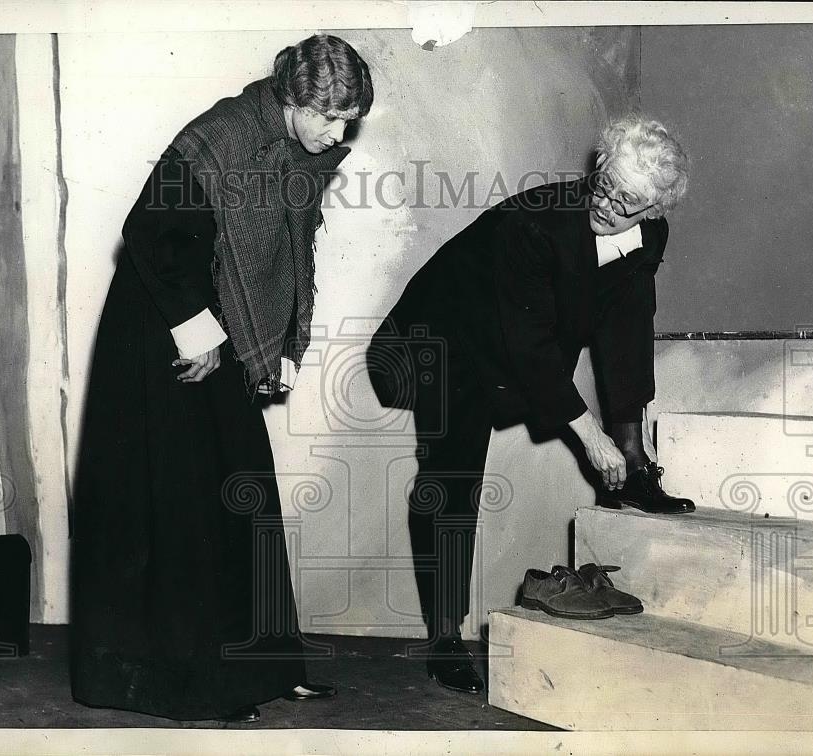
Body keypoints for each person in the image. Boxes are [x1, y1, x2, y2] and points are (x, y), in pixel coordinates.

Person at [71, 34, 373, 723]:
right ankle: (196, 687)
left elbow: (282, 254)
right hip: (161, 332)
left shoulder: (293, 150)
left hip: (214, 321)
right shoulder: (223, 134)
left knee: (245, 504)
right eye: (328, 116)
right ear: (292, 99)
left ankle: (267, 669)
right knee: (186, 513)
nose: (336, 133)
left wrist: (281, 340)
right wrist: (196, 328)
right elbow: (147, 228)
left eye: (347, 121)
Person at [366, 115, 692, 694]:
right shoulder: (533, 222)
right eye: (605, 182)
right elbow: (532, 346)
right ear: (598, 167)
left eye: (629, 201)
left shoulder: (651, 237)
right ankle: (445, 637)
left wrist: (630, 445)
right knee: (453, 478)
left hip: (503, 345)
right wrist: (590, 436)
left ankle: (636, 474)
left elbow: (627, 327)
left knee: (596, 400)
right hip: (432, 341)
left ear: (655, 210)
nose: (608, 204)